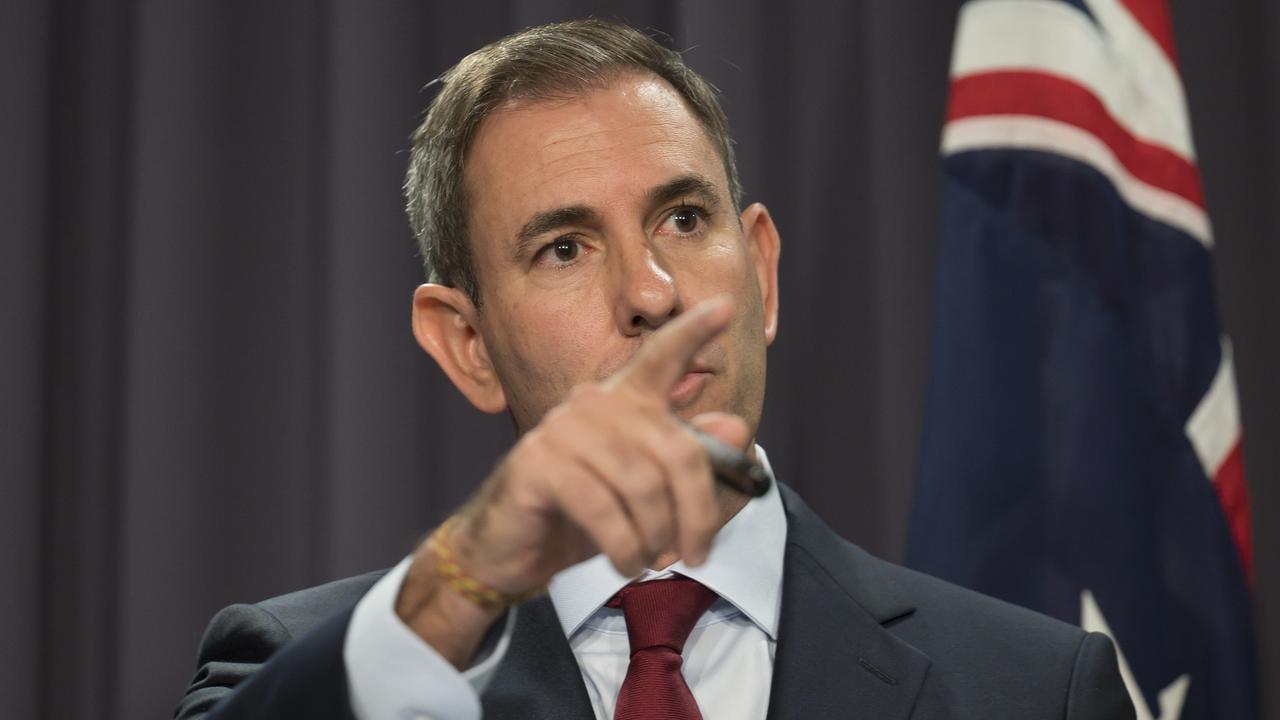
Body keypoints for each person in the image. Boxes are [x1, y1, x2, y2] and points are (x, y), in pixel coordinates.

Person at [175, 18, 1134, 720]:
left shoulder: (1034, 690)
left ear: (760, 270)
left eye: (684, 219)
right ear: (468, 346)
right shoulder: (299, 669)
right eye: (564, 247)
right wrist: (454, 591)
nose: (652, 289)